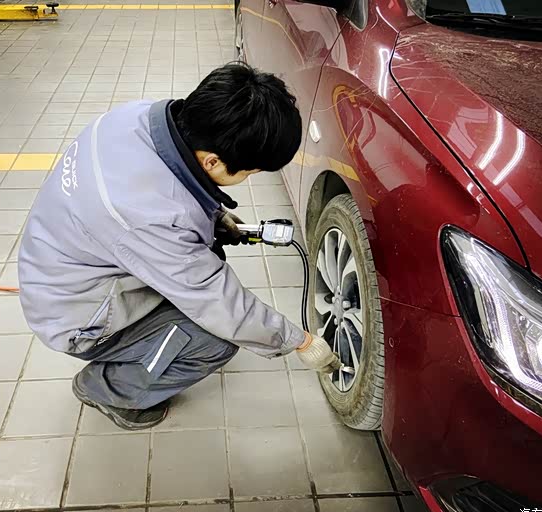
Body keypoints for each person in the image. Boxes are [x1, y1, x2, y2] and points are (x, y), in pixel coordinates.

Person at [18, 63, 338, 431]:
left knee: (205, 265)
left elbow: (168, 187)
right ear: (212, 160)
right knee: (214, 340)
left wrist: (213, 216)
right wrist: (299, 341)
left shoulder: (133, 117)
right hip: (77, 317)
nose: (248, 178)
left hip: (58, 264)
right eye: (249, 172)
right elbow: (216, 301)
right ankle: (108, 389)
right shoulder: (150, 217)